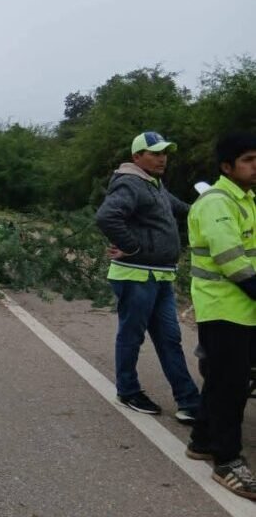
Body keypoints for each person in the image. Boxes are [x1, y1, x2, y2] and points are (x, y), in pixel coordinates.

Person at [95, 131, 200, 423]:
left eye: (164, 152)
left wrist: (213, 204)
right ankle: (128, 391)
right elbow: (107, 216)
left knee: (170, 338)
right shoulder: (130, 183)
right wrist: (133, 247)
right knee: (132, 335)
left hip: (161, 276)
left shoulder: (155, 185)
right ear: (137, 157)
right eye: (154, 153)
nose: (162, 158)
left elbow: (185, 211)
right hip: (136, 275)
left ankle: (189, 402)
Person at [185, 133, 256, 499]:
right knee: (231, 387)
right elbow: (233, 262)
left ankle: (201, 440)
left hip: (241, 309)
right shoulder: (216, 202)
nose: (255, 166)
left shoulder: (246, 199)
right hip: (224, 307)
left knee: (221, 378)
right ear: (226, 167)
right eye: (248, 159)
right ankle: (227, 460)